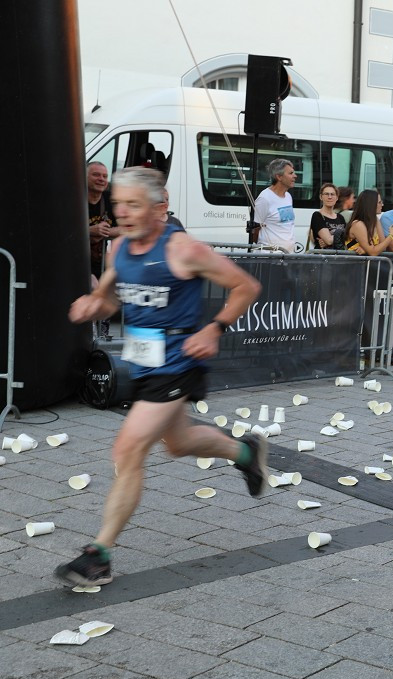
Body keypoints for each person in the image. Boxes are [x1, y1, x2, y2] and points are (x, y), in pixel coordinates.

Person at [57, 167, 266, 587]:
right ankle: (246, 453)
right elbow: (112, 298)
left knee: (129, 447)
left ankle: (99, 555)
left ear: (160, 207)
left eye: (134, 204)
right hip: (144, 362)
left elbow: (245, 286)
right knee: (178, 443)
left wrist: (214, 328)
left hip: (180, 361)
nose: (124, 212)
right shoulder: (118, 249)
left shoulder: (183, 249)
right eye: (119, 203)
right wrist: (91, 306)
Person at [253, 158, 297, 253]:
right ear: (279, 177)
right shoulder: (264, 198)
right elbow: (255, 229)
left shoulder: (288, 196)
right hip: (269, 258)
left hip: (287, 256)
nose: (295, 176)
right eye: (290, 173)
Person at [87, 161, 118, 279]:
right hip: (77, 264)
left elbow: (127, 228)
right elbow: (61, 231)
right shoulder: (73, 198)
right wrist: (89, 230)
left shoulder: (111, 199)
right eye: (96, 175)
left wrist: (104, 232)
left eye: (105, 176)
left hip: (103, 266)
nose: (101, 179)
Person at [345, 189, 387, 255]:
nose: (382, 205)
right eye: (379, 202)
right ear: (371, 204)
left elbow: (383, 247)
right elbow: (373, 252)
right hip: (355, 263)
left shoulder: (375, 220)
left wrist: (366, 250)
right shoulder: (358, 224)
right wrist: (391, 236)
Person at [309, 183, 347, 251]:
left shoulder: (340, 217)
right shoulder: (317, 215)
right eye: (326, 194)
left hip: (339, 258)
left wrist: (332, 240)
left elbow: (347, 238)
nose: (329, 197)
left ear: (337, 198)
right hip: (323, 258)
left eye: (332, 194)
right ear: (321, 197)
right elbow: (328, 241)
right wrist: (340, 238)